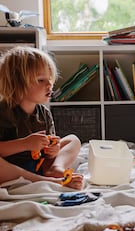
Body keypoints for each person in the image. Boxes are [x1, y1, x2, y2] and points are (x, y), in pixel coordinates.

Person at [0, 46, 83, 189]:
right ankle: (43, 180)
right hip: (11, 170)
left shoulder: (44, 113)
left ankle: (55, 169)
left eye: (49, 79)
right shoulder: (4, 112)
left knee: (73, 140)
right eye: (41, 80)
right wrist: (25, 144)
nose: (49, 84)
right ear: (18, 83)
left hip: (38, 164)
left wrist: (53, 150)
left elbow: (49, 148)